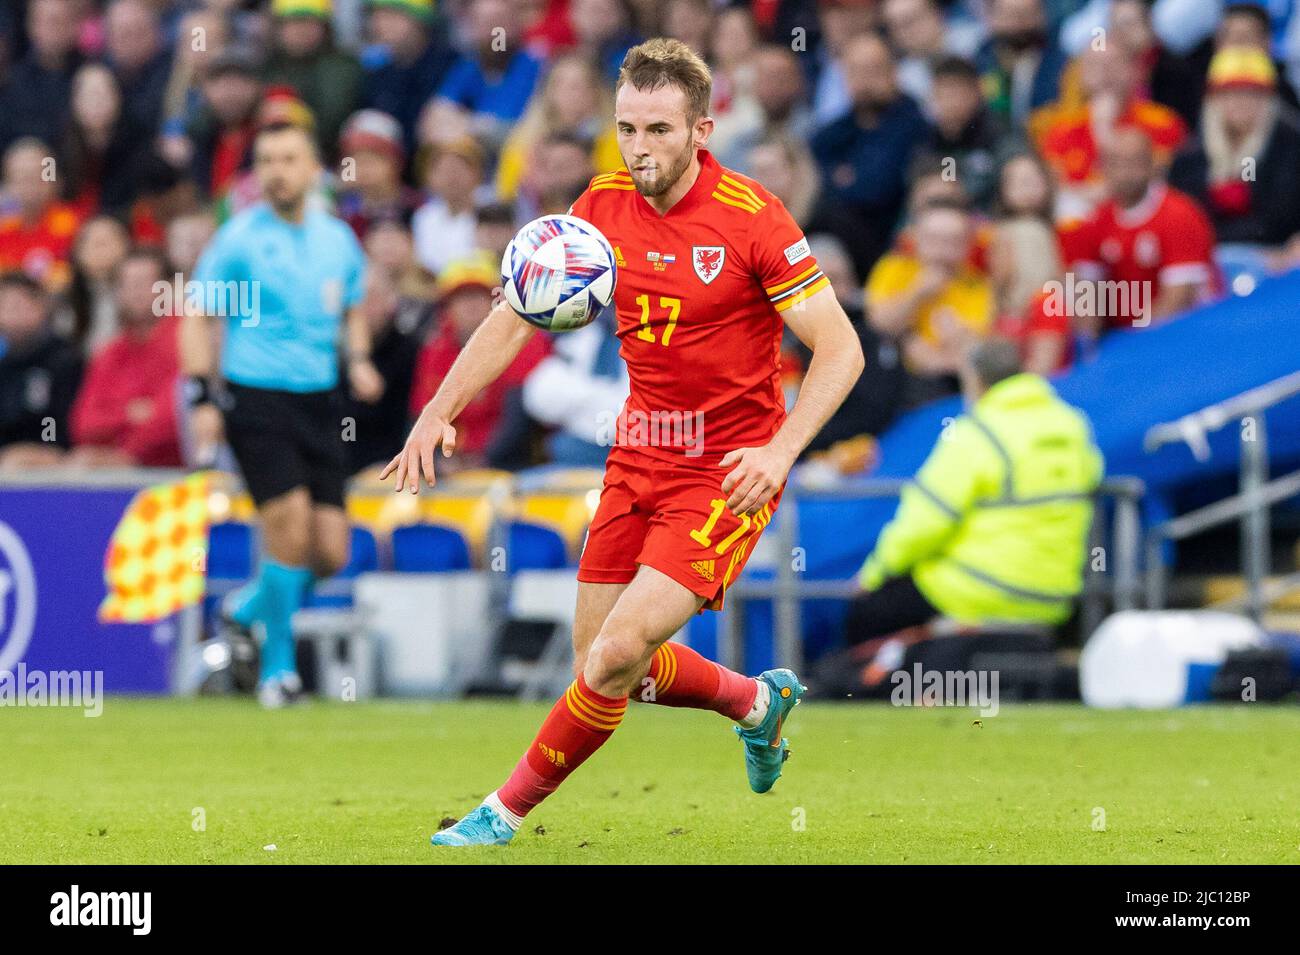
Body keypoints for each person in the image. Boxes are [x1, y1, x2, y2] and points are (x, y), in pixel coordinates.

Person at [384, 38, 864, 847]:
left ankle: (499, 813)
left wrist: (780, 453)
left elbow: (841, 348)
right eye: (627, 129)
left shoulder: (754, 220)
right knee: (602, 666)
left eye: (659, 131)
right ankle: (754, 701)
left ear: (702, 129)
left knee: (615, 656)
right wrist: (439, 409)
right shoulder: (598, 208)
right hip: (636, 454)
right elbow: (512, 317)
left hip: (727, 470)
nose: (640, 148)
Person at [181, 121, 376, 708]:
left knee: (330, 553)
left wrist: (360, 359)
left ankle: (241, 609)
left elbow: (353, 308)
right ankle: (278, 671)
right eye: (266, 160)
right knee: (286, 527)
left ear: (313, 168)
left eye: (288, 158)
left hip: (320, 400)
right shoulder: (238, 239)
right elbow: (198, 316)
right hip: (255, 396)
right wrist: (202, 397)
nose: (276, 171)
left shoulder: (337, 239)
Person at [844, 338, 1102, 647]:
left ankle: (863, 688)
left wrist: (873, 574)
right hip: (1052, 597)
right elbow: (1092, 479)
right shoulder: (1073, 426)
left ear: (974, 379)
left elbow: (923, 524)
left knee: (867, 613)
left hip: (976, 589)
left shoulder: (977, 433)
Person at [1070, 126, 1218, 333]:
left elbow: (1178, 299)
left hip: (1188, 332)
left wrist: (1132, 344)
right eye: (1115, 163)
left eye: (1134, 162)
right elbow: (1085, 296)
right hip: (1123, 338)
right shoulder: (1094, 220)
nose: (1124, 172)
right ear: (1101, 168)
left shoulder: (1179, 214)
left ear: (1152, 165)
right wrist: (1090, 348)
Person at [68, 247, 182, 467]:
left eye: (144, 282)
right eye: (126, 284)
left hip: (177, 474)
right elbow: (83, 424)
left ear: (169, 288)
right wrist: (128, 414)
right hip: (117, 470)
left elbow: (172, 422)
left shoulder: (186, 339)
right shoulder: (110, 352)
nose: (135, 292)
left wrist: (127, 455)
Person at [0, 270, 82, 469]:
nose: (11, 314)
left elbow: (57, 422)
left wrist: (47, 448)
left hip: (51, 459)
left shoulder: (64, 359)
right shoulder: (5, 362)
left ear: (41, 308)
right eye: (4, 306)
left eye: (18, 305)